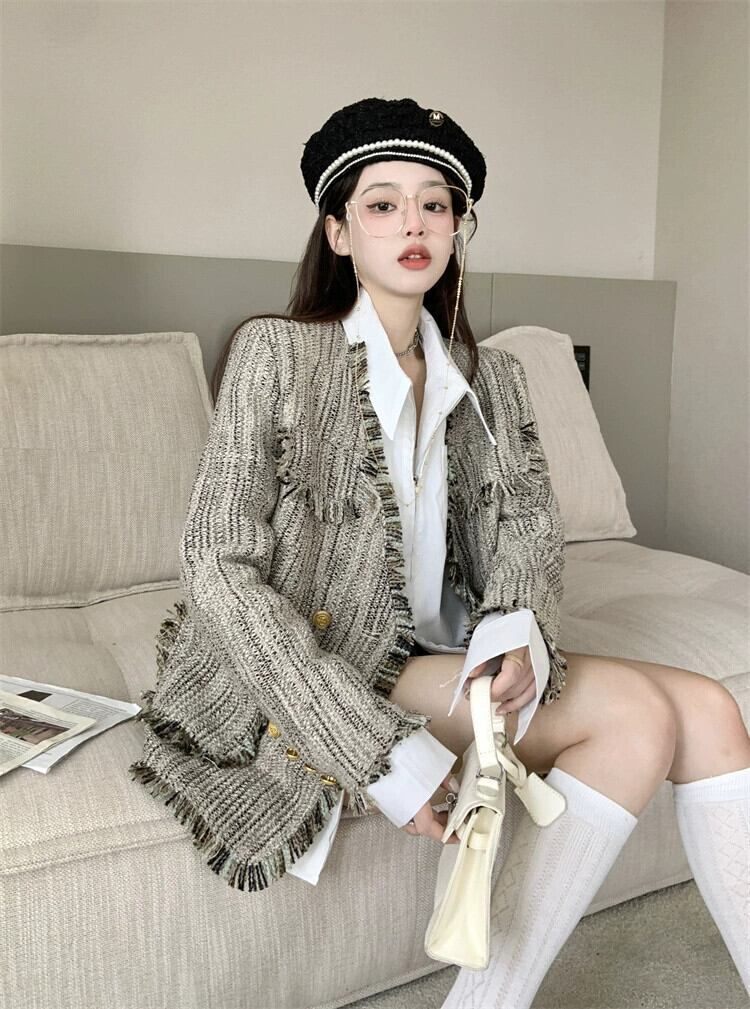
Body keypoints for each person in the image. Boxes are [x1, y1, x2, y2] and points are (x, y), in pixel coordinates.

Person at [129, 98, 750, 1006]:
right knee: (638, 717)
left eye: (435, 204)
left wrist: (517, 635)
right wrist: (381, 756)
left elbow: (527, 534)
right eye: (382, 205)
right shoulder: (276, 354)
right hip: (322, 663)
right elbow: (218, 564)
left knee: (709, 708)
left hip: (433, 656)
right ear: (338, 232)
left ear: (459, 227)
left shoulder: (492, 378)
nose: (414, 224)